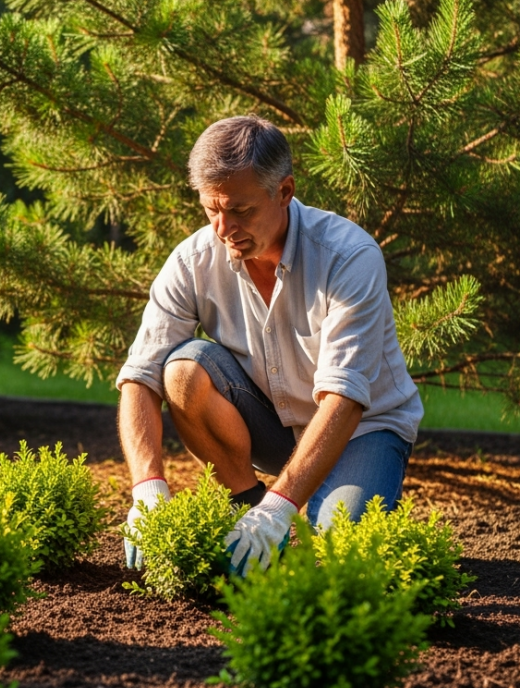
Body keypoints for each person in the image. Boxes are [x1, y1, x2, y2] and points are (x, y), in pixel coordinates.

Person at [117, 115, 423, 577]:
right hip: (271, 422)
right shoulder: (193, 259)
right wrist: (147, 489)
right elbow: (140, 375)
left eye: (240, 210)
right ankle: (248, 505)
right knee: (181, 369)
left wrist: (283, 508)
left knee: (341, 547)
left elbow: (344, 399)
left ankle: (291, 509)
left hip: (361, 430)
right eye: (210, 209)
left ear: (285, 191)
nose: (223, 228)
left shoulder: (348, 256)